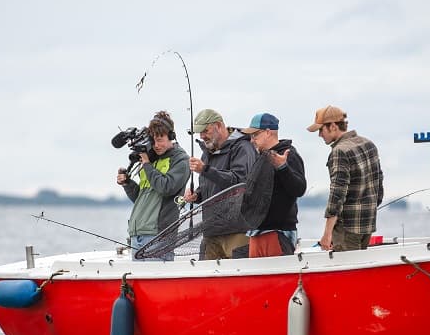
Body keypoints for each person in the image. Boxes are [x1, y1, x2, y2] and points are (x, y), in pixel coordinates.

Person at [307, 105, 383, 251]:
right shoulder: (369, 144)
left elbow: (337, 194)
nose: (319, 135)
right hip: (367, 225)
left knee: (348, 265)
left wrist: (327, 234)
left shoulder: (339, 151)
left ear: (333, 126)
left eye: (321, 130)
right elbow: (379, 186)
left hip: (346, 229)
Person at [116, 110, 190, 261]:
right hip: (138, 234)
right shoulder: (151, 160)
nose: (156, 145)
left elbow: (166, 187)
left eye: (160, 140)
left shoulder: (181, 159)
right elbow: (141, 197)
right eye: (153, 140)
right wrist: (127, 183)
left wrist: (146, 163)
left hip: (159, 235)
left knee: (156, 277)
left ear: (171, 137)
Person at [183, 108, 257, 259]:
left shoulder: (243, 147)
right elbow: (210, 186)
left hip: (237, 231)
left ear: (218, 125)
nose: (202, 136)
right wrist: (196, 195)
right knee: (205, 274)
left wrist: (205, 169)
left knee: (238, 273)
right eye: (199, 132)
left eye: (205, 131)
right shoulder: (206, 153)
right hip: (211, 232)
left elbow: (240, 182)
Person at [239, 112, 307, 257]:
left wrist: (283, 167)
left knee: (276, 273)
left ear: (268, 132)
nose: (252, 140)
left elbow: (299, 189)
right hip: (257, 232)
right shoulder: (262, 156)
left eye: (255, 135)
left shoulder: (289, 154)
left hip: (277, 232)